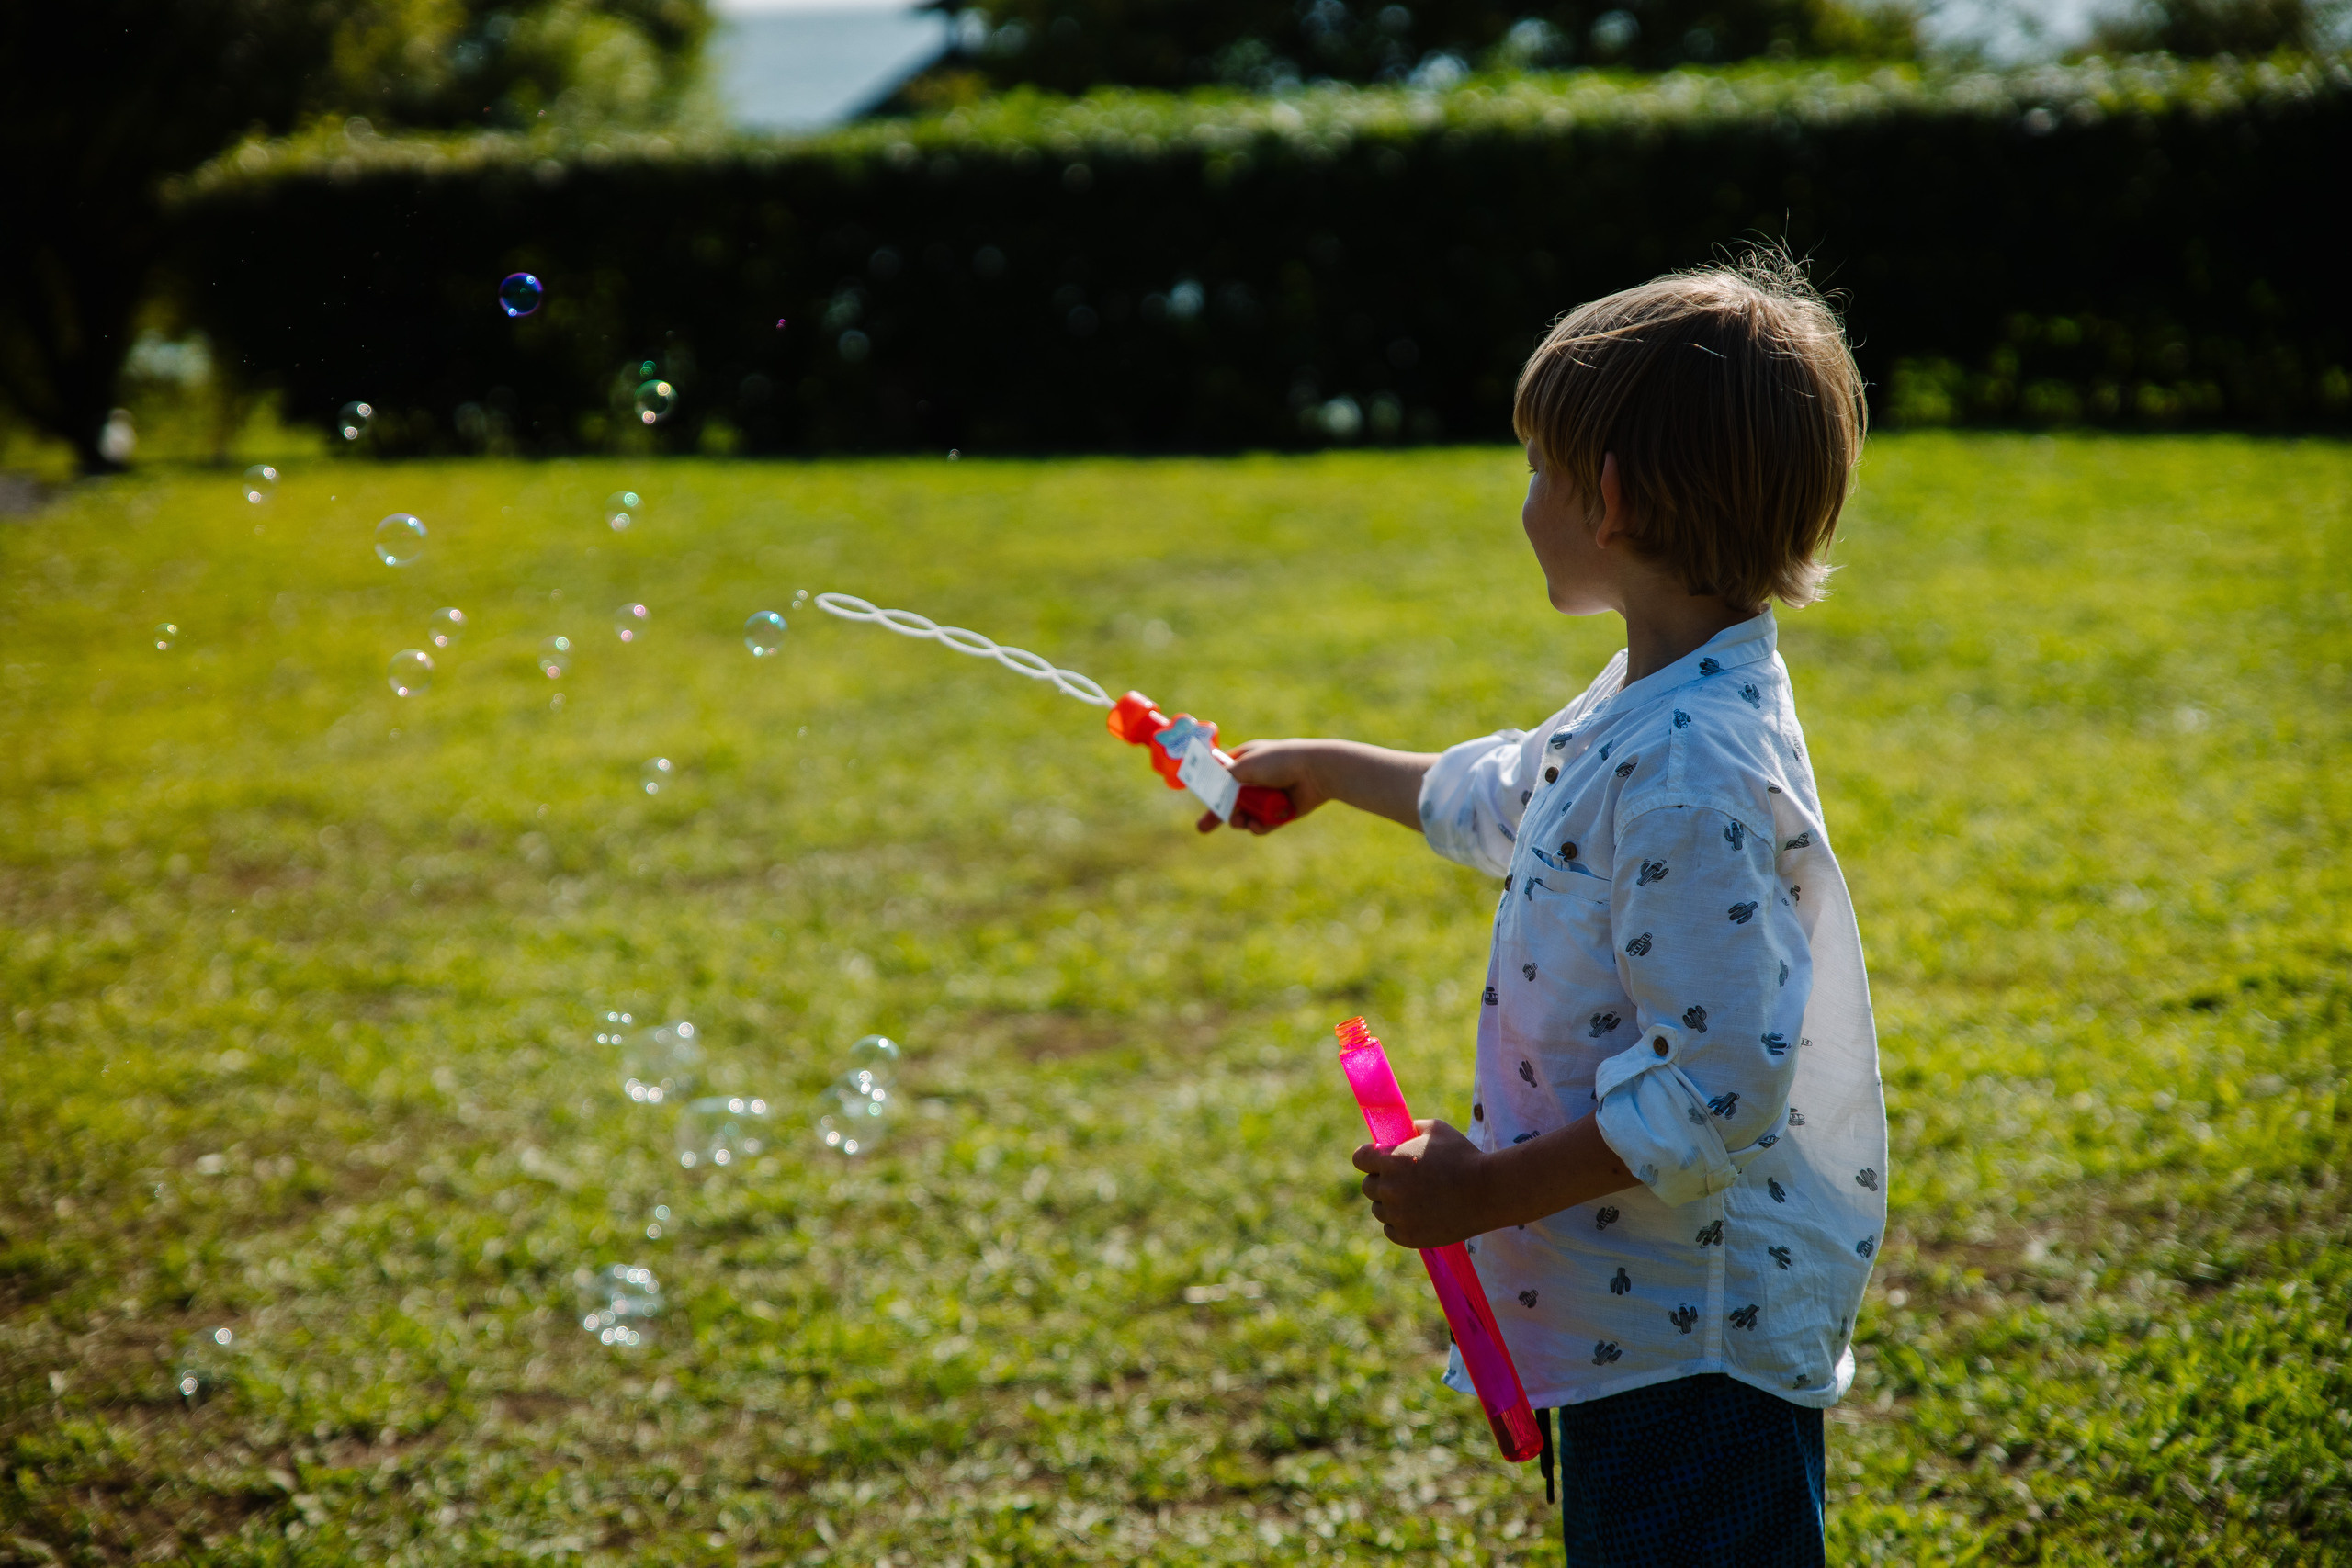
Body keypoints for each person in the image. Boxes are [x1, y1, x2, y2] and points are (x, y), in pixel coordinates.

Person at [1209, 249, 1887, 1565]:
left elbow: (1713, 1087)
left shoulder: (1695, 769)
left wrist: (1488, 1191)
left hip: (1691, 1336)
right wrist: (1330, 773)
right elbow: (1503, 793)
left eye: (1538, 468)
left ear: (1612, 499)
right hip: (1627, 1299)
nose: (1525, 498)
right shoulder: (1653, 697)